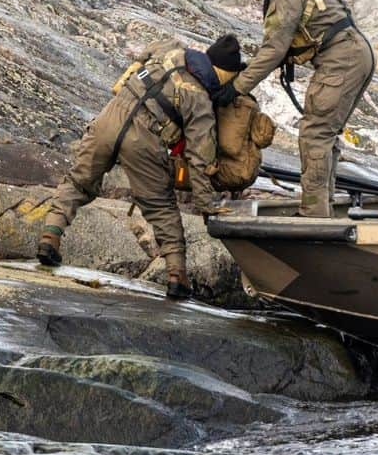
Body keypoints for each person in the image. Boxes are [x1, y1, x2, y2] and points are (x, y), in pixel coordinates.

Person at [37, 34, 243, 299]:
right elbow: (199, 158)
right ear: (224, 74)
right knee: (161, 206)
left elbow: (148, 50)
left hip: (110, 117)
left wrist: (143, 66)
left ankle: (49, 237)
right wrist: (206, 206)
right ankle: (177, 276)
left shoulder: (172, 48)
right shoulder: (199, 99)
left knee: (77, 182)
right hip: (144, 138)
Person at [216, 0, 376, 218]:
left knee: (314, 134)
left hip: (341, 60)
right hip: (357, 54)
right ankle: (323, 208)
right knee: (325, 134)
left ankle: (313, 216)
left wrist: (237, 88)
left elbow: (274, 49)